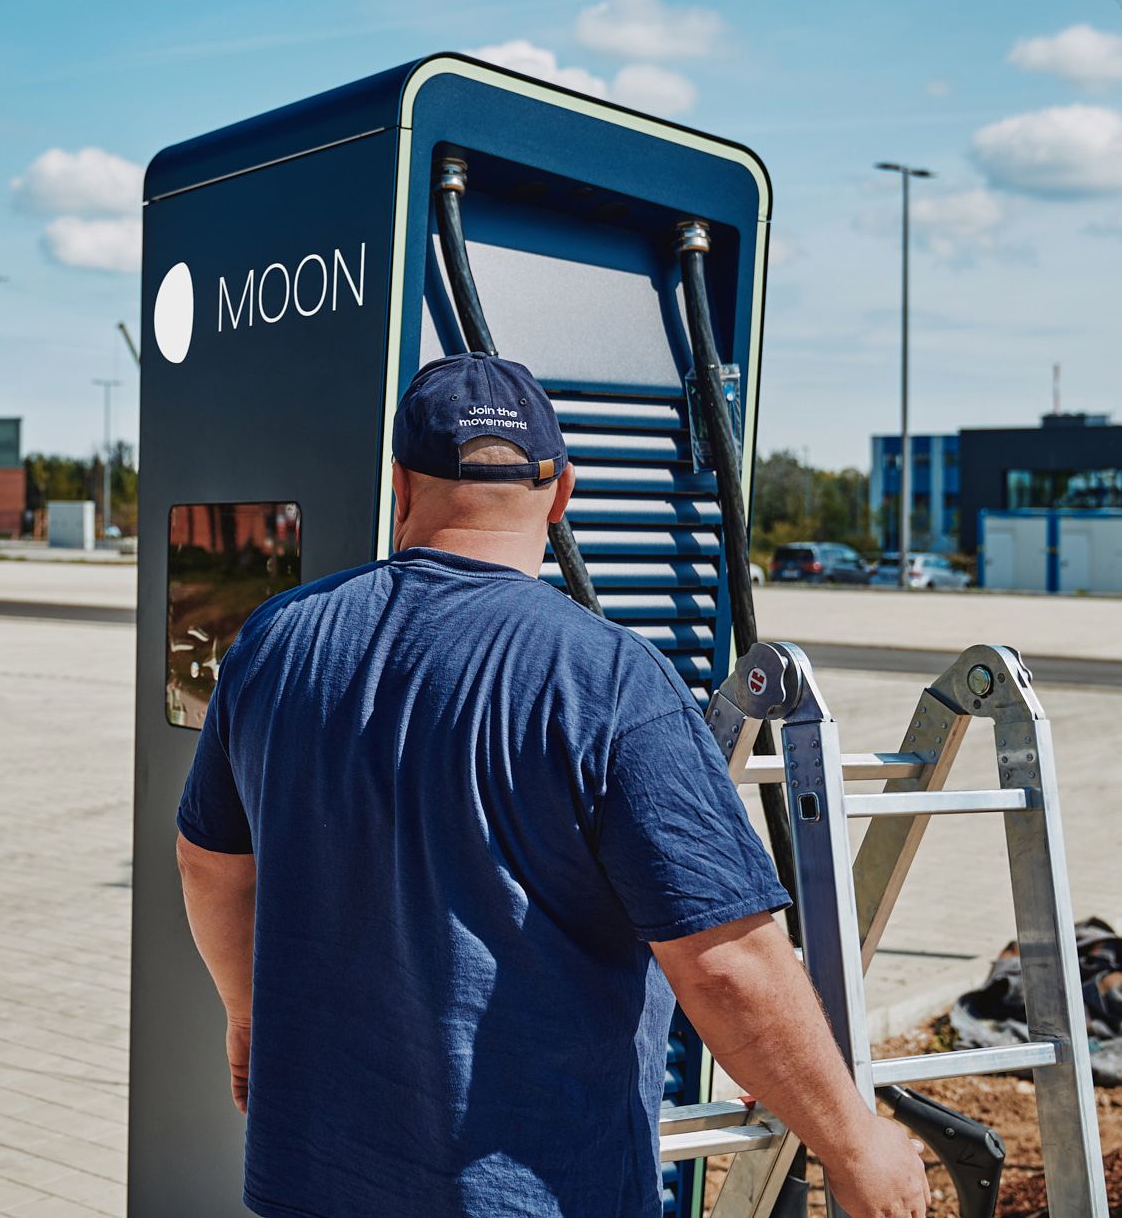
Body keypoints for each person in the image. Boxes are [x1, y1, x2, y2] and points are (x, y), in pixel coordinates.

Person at [175, 353, 929, 1218]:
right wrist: (856, 1143)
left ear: (400, 486)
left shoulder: (277, 639)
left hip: (308, 1180)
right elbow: (724, 965)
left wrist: (247, 1011)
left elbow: (210, 866)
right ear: (562, 493)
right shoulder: (609, 681)